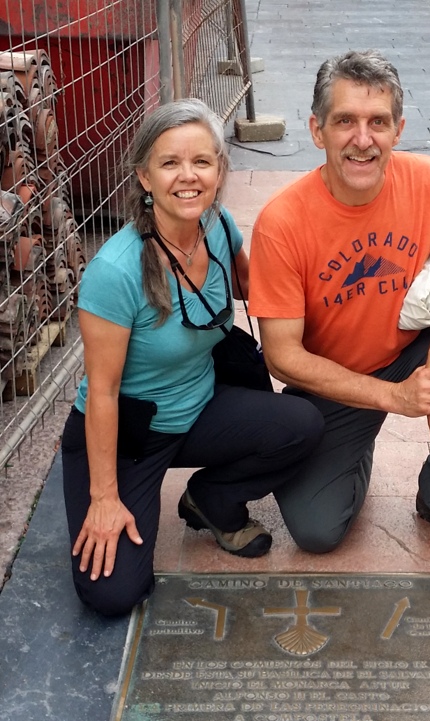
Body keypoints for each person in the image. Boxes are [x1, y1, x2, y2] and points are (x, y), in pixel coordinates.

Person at [248, 50, 430, 556]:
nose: (362, 139)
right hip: (331, 382)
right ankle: (355, 447)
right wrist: (392, 400)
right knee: (316, 532)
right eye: (345, 121)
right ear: (316, 130)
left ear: (398, 129)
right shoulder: (282, 222)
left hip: (410, 352)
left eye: (378, 122)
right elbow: (284, 356)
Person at [61, 99, 324, 616]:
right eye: (169, 163)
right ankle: (103, 495)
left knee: (303, 425)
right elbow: (104, 394)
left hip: (200, 406)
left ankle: (212, 498)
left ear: (220, 170)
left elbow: (256, 286)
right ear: (144, 176)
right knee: (113, 595)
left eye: (202, 162)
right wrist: (105, 498)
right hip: (129, 436)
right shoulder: (114, 274)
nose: (188, 177)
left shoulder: (219, 227)